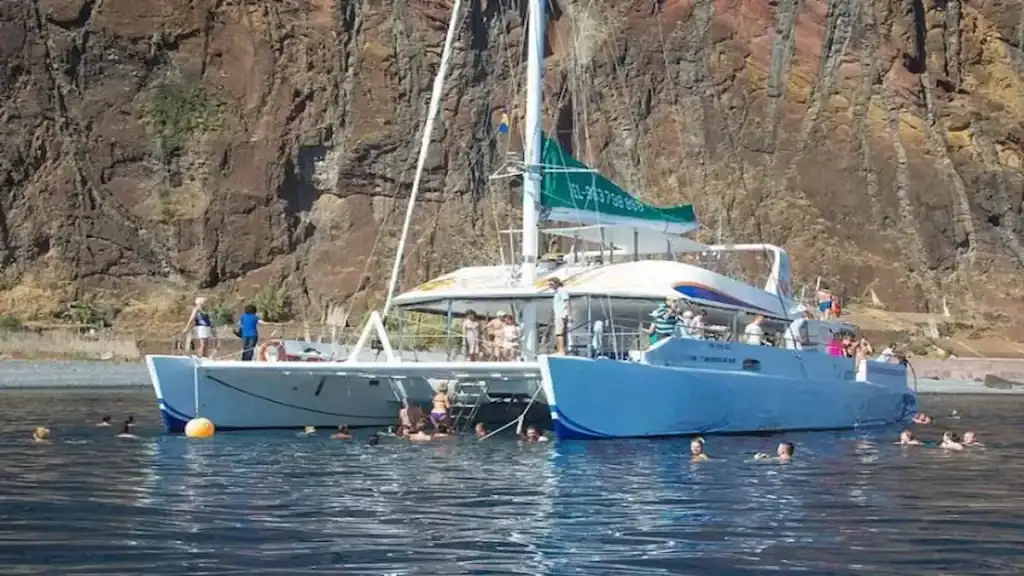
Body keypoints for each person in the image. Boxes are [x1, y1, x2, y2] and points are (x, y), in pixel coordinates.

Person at [549, 278, 571, 354]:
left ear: (557, 283)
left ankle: (561, 350)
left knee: (560, 333)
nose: (550, 286)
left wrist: (568, 315)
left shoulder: (562, 291)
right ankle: (562, 350)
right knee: (560, 333)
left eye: (551, 284)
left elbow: (567, 303)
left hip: (561, 315)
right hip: (558, 315)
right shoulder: (556, 293)